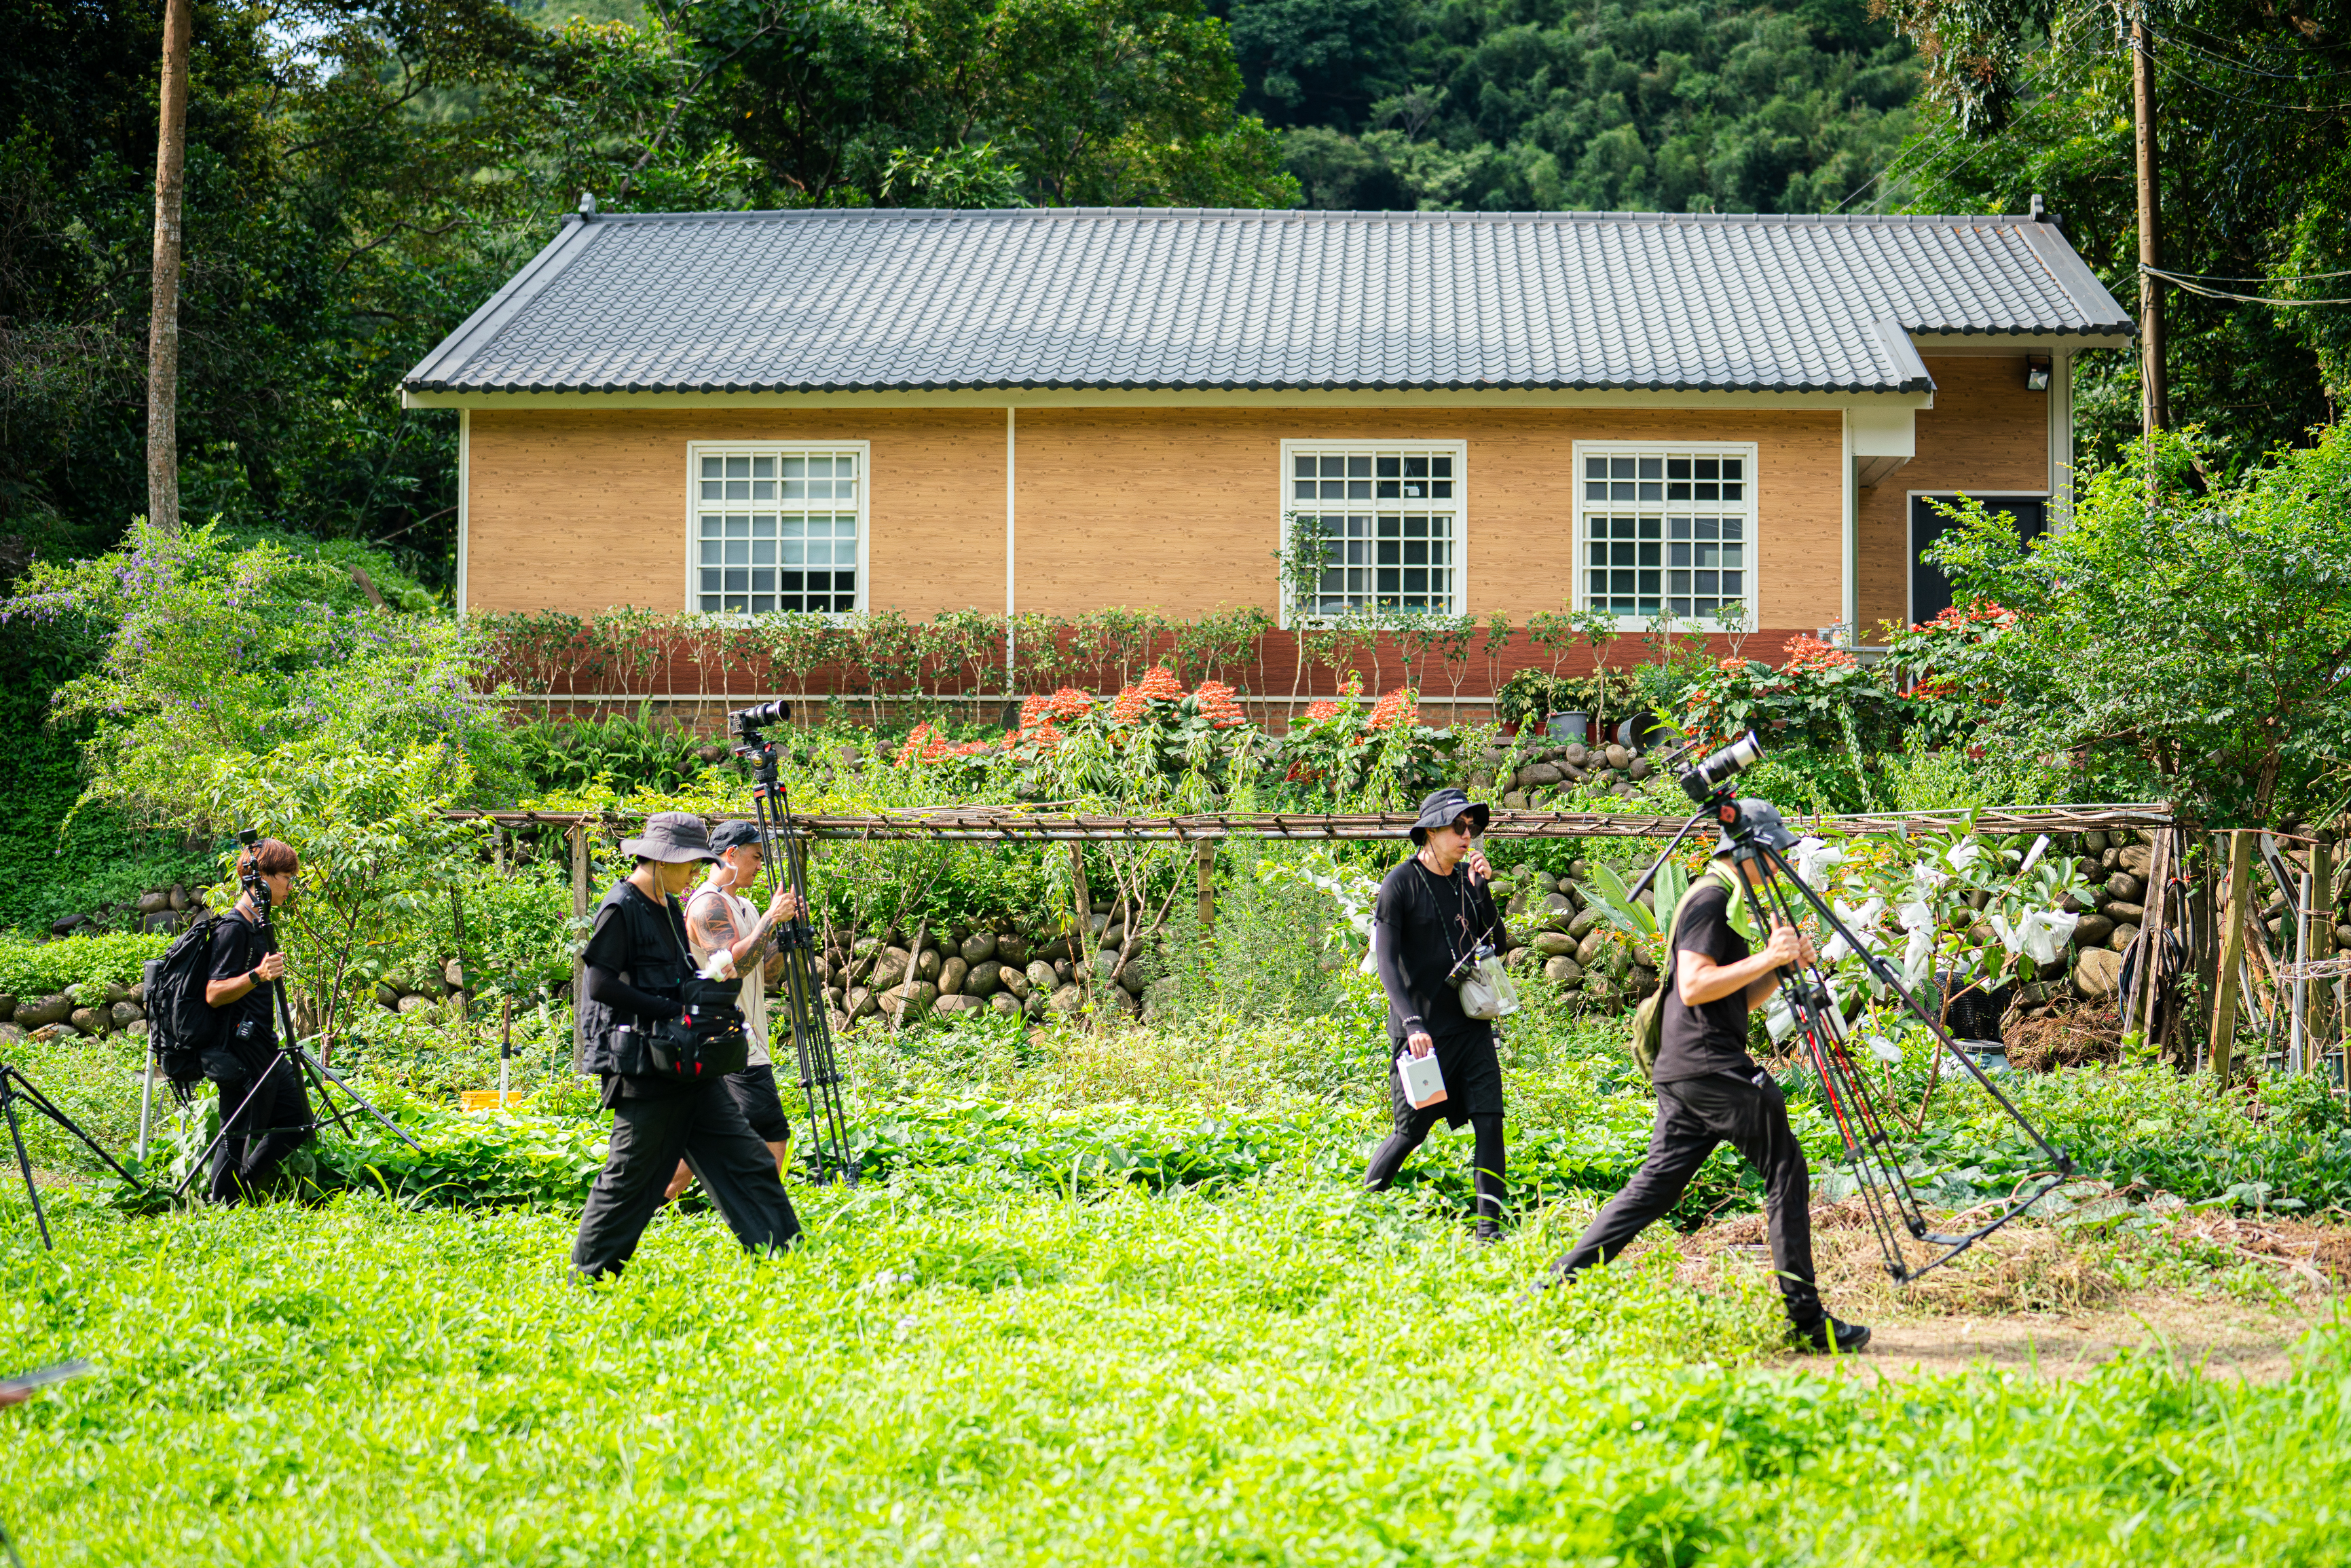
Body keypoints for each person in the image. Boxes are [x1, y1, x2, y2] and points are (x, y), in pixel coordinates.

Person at [1549, 800, 1870, 1354]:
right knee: (1784, 1169)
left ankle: (1556, 1282)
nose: (1779, 866)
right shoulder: (1711, 898)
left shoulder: (1729, 901)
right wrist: (1769, 954)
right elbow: (1695, 986)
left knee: (1656, 1188)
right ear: (1747, 851)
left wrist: (1780, 966)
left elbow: (1734, 999)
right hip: (1708, 1066)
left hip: (1687, 1065)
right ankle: (1806, 1321)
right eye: (1773, 854)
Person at [571, 812, 803, 1280]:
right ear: (659, 860)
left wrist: (706, 996)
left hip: (686, 1061)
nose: (695, 875)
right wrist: (671, 1012)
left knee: (746, 1157)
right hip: (642, 1067)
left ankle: (784, 1258)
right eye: (690, 866)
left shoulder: (667, 905)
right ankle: (588, 1276)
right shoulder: (622, 905)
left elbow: (680, 977)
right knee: (630, 1177)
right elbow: (599, 986)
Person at [1364, 785, 1511, 1242]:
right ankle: (1361, 1203)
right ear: (1430, 832)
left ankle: (1489, 1230)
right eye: (1458, 826)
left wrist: (1483, 892)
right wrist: (1411, 1025)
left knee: (1490, 1119)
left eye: (1473, 826)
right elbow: (1386, 962)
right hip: (1421, 1031)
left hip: (1470, 1027)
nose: (1468, 835)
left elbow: (1495, 945)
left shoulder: (1468, 880)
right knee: (1411, 1130)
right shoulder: (1400, 883)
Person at [665, 819, 801, 1201]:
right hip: (725, 1033)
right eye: (756, 856)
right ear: (731, 854)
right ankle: (764, 1207)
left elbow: (766, 969)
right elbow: (734, 967)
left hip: (735, 1034)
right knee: (771, 1125)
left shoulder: (746, 904)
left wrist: (784, 926)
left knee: (701, 1134)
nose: (761, 865)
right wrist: (772, 918)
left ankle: (654, 1199)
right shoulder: (709, 903)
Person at [201, 837, 312, 1203]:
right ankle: (221, 1207)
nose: (291, 886)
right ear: (262, 879)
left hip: (266, 1046)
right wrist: (256, 975)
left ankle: (241, 1190)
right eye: (286, 876)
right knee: (236, 1133)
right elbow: (213, 993)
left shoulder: (259, 924)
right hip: (240, 1051)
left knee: (298, 1121)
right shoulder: (233, 927)